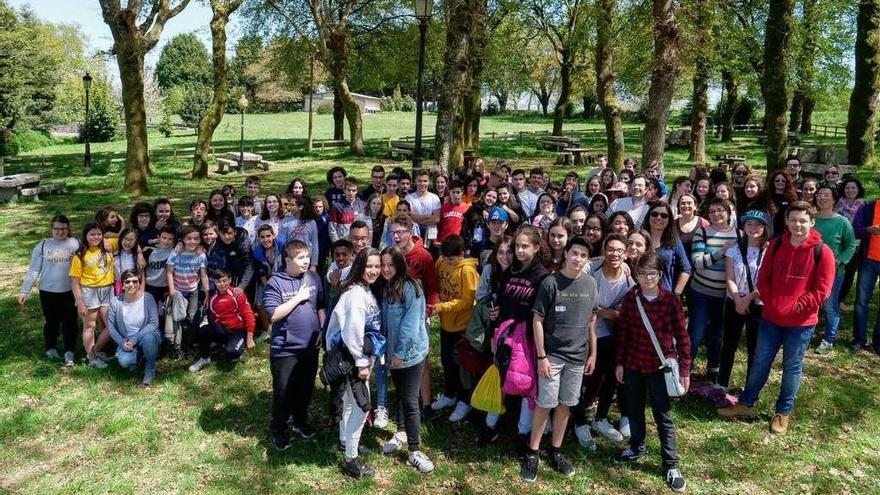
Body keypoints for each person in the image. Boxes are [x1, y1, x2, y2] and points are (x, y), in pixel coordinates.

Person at [718, 201, 834, 435]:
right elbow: (764, 278)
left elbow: (822, 290)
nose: (798, 225)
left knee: (792, 367)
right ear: (787, 222)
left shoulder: (823, 252)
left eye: (803, 220)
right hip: (771, 318)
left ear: (812, 222)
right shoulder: (778, 245)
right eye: (793, 220)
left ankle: (783, 412)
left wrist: (798, 306)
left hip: (801, 323)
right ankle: (746, 403)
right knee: (760, 361)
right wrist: (771, 303)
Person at [521, 237, 597, 482]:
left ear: (587, 259)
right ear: (566, 254)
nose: (578, 259)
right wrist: (542, 356)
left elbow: (591, 322)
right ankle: (533, 452)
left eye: (583, 255)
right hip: (552, 356)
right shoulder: (551, 282)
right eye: (574, 253)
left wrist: (593, 353)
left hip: (577, 358)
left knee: (565, 404)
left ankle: (555, 450)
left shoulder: (591, 284)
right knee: (545, 403)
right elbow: (537, 320)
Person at [615, 252, 690, 493]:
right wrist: (619, 363)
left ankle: (671, 464)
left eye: (653, 273)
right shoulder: (630, 299)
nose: (648, 278)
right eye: (643, 274)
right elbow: (623, 333)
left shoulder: (670, 301)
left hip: (660, 368)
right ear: (635, 275)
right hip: (634, 365)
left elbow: (682, 336)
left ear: (660, 274)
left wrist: (685, 370)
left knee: (663, 417)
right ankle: (637, 445)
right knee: (634, 410)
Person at [486, 225, 549, 444]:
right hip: (504, 335)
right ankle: (490, 424)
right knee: (500, 378)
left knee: (527, 386)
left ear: (536, 247)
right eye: (517, 246)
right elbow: (501, 303)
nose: (520, 251)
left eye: (525, 246)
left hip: (527, 340)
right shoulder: (510, 271)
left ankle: (523, 431)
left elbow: (541, 314)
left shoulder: (542, 277)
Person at [573, 234, 636, 450]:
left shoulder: (629, 281)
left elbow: (625, 314)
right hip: (584, 331)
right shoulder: (592, 269)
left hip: (610, 332)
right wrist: (605, 312)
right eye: (610, 249)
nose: (614, 254)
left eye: (619, 250)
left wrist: (603, 312)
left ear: (626, 254)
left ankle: (600, 418)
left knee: (610, 375)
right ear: (603, 251)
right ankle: (579, 420)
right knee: (588, 376)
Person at [325, 248, 383, 479]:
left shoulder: (362, 289)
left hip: (350, 356)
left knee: (349, 402)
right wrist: (361, 363)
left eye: (377, 266)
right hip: (350, 359)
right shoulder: (356, 295)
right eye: (369, 266)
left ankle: (344, 441)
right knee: (360, 409)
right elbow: (352, 332)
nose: (374, 271)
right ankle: (351, 459)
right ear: (359, 266)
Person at [264, 240, 325, 449]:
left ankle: (300, 422)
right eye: (300, 258)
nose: (306, 261)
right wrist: (298, 298)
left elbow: (321, 306)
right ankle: (278, 428)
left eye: (307, 256)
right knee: (284, 391)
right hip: (285, 349)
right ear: (287, 260)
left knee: (305, 388)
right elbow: (273, 314)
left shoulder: (314, 278)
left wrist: (322, 329)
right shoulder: (276, 282)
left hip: (310, 346)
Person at [378, 247, 434, 474]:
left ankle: (414, 450)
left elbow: (410, 325)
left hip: (410, 355)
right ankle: (400, 432)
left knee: (410, 401)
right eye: (382, 265)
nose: (385, 269)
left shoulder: (412, 287)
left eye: (390, 264)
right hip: (393, 355)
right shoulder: (387, 287)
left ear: (400, 264)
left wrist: (400, 353)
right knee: (400, 393)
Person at [689, 197, 740, 383]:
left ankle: (713, 370)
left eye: (720, 210)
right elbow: (697, 264)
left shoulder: (740, 235)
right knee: (696, 332)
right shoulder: (701, 233)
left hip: (725, 295)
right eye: (712, 211)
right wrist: (720, 252)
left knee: (718, 334)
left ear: (728, 212)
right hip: (701, 292)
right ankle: (685, 367)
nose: (716, 214)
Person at [718, 210, 770, 389]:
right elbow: (730, 278)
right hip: (734, 300)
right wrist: (738, 299)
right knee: (729, 344)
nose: (753, 228)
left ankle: (750, 387)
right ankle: (722, 382)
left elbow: (769, 281)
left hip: (758, 303)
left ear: (765, 227)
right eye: (749, 224)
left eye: (758, 224)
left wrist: (749, 298)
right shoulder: (734, 249)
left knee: (754, 348)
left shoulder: (770, 251)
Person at [430, 235, 479, 422]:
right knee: (446, 360)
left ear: (461, 254)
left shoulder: (467, 271)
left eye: (452, 259)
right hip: (445, 324)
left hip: (462, 326)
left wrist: (443, 307)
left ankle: (464, 400)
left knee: (462, 365)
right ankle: (449, 395)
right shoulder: (441, 262)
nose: (448, 263)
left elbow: (467, 301)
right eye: (445, 258)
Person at [19, 215, 80, 366]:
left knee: (70, 322)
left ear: (68, 229)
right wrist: (24, 291)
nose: (60, 232)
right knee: (51, 322)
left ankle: (69, 351)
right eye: (56, 229)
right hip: (48, 291)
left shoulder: (74, 244)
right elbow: (34, 270)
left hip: (69, 291)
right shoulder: (42, 245)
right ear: (51, 229)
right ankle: (50, 348)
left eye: (63, 229)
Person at [813, 186, 856, 354]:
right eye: (819, 194)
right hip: (811, 269)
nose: (822, 197)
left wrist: (841, 260)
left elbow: (851, 245)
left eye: (826, 195)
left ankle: (829, 339)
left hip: (832, 271)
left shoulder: (842, 222)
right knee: (812, 302)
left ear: (834, 200)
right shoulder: (812, 220)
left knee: (830, 305)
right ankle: (806, 332)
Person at [188, 269, 256, 372]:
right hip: (223, 330)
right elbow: (212, 319)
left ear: (229, 280)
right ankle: (205, 358)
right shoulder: (212, 298)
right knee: (203, 330)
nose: (222, 284)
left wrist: (250, 338)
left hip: (238, 331)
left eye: (224, 280)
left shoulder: (237, 294)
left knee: (231, 353)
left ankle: (237, 348)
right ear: (215, 283)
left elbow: (249, 315)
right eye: (219, 281)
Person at [70, 222, 115, 368]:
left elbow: (129, 238)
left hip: (107, 289)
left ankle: (95, 351)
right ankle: (92, 359)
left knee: (111, 326)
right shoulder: (79, 255)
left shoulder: (108, 247)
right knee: (90, 326)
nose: (96, 237)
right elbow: (75, 282)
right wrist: (80, 302)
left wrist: (107, 239)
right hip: (89, 291)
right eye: (92, 234)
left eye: (99, 234)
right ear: (85, 236)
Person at [108, 269, 161, 385]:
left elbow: (154, 323)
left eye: (135, 281)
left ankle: (150, 369)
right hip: (127, 340)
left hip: (147, 336)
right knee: (125, 362)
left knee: (149, 338)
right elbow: (111, 328)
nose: (131, 284)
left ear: (139, 283)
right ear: (122, 285)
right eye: (127, 282)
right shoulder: (115, 302)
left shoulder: (148, 298)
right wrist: (122, 342)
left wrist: (135, 339)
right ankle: (142, 357)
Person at [165, 225, 210, 359]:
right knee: (177, 318)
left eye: (196, 239)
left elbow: (203, 275)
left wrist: (207, 293)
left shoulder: (201, 255)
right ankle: (175, 346)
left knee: (192, 318)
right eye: (189, 238)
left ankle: (188, 344)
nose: (192, 241)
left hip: (193, 291)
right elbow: (169, 272)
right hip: (178, 291)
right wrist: (172, 291)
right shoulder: (176, 253)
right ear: (183, 240)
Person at [851, 196, 880, 351]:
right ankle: (859, 339)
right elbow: (855, 230)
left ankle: (878, 343)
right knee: (862, 302)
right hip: (868, 260)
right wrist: (868, 230)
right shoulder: (869, 207)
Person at [646, 202, 691, 296]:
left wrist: (676, 293)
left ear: (669, 219)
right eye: (654, 214)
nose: (658, 218)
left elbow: (686, 269)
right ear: (648, 216)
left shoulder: (674, 241)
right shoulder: (640, 237)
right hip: (640, 293)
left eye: (664, 215)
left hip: (665, 296)